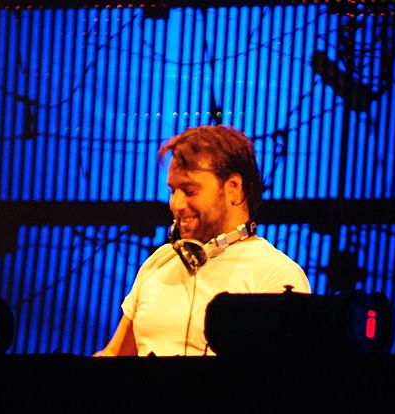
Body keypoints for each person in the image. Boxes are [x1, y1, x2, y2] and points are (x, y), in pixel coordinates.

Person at [95, 125, 310, 356]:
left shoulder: (276, 274)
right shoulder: (159, 262)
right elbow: (113, 355)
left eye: (189, 191)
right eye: (173, 191)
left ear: (233, 188)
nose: (176, 204)